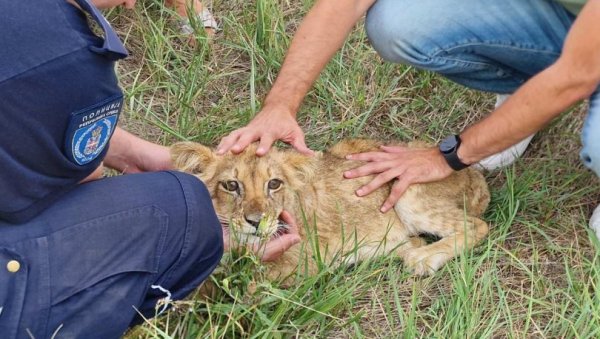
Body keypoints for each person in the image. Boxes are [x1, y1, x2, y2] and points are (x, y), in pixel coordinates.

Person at [0, 0, 298, 337]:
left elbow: (26, 113)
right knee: (180, 204)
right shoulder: (67, 56)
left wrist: (136, 155)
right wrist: (213, 238)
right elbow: (79, 185)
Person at [216, 0, 600, 238]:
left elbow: (576, 76)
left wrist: (447, 156)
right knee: (399, 23)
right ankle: (526, 92)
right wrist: (281, 103)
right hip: (570, 18)